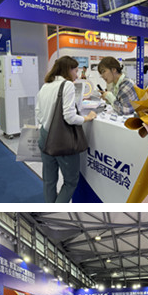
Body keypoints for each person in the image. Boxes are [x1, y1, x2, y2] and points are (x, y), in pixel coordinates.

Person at [35, 56, 96, 203]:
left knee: (49, 180)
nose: (77, 74)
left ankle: (50, 211)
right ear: (68, 70)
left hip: (44, 137)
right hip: (62, 140)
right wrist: (86, 118)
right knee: (71, 182)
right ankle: (58, 212)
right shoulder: (67, 85)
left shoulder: (45, 86)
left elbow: (38, 113)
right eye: (75, 70)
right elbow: (69, 117)